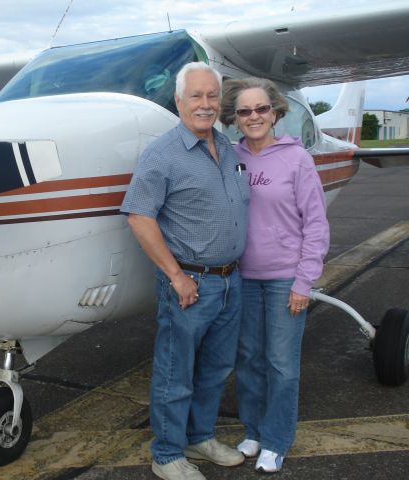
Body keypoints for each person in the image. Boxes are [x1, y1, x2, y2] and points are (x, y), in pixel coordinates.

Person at [121, 62, 249, 480]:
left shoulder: (227, 146)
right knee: (176, 373)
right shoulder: (162, 154)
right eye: (196, 96)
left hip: (230, 280)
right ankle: (168, 453)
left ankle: (199, 436)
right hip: (190, 284)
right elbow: (139, 215)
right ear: (178, 101)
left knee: (215, 369)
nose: (206, 104)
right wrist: (176, 276)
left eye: (212, 96)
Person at [219, 77, 330, 473]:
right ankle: (253, 431)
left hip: (285, 277)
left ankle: (278, 439)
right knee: (249, 359)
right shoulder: (229, 156)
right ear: (234, 117)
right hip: (243, 277)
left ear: (275, 112)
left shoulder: (296, 158)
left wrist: (304, 281)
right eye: (245, 111)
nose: (254, 117)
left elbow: (316, 224)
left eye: (261, 109)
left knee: (282, 362)